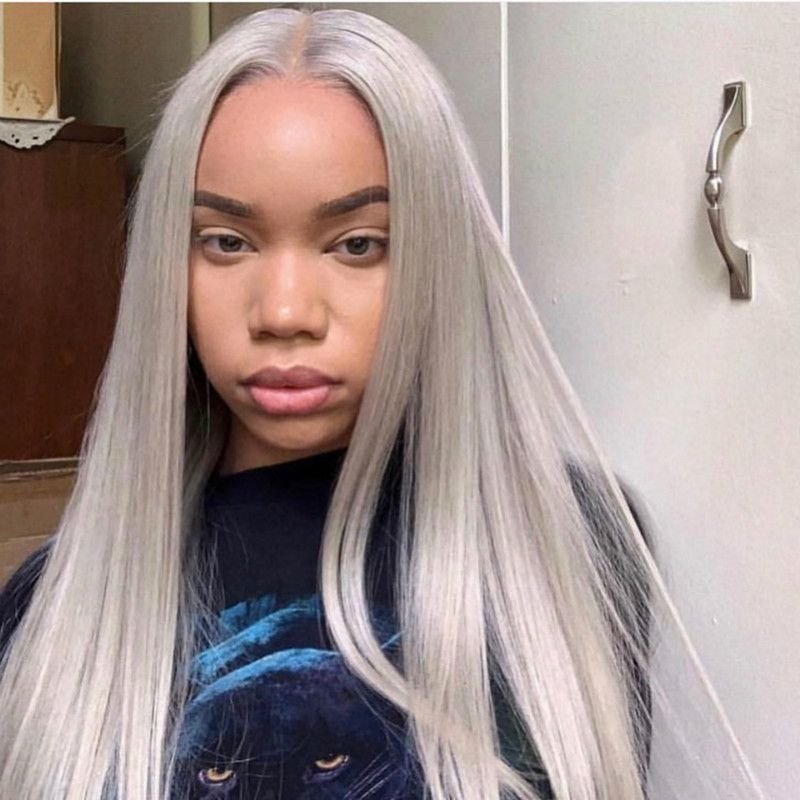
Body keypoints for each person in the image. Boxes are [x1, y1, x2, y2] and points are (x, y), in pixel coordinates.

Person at [0, 8, 765, 800]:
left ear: (434, 258)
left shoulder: (563, 549)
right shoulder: (54, 612)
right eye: (226, 242)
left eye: (358, 243)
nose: (285, 312)